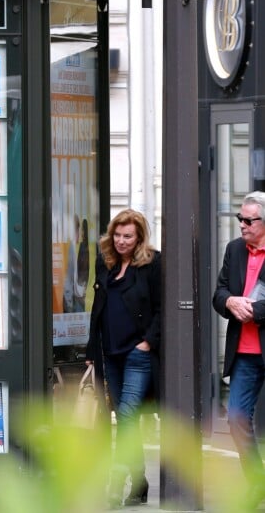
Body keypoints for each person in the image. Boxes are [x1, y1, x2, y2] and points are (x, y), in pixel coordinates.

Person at [85, 209, 161, 509]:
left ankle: (117, 486)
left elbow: (160, 307)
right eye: (117, 235)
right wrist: (92, 351)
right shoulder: (104, 261)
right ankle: (140, 480)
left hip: (136, 354)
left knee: (128, 416)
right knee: (123, 418)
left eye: (127, 236)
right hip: (109, 354)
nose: (120, 241)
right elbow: (97, 308)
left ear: (139, 237)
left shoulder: (152, 264)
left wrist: (147, 343)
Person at [212, 191, 265, 510]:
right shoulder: (234, 250)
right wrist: (230, 301)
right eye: (240, 219)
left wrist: (256, 312)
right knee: (236, 419)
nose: (242, 225)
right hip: (244, 352)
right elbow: (220, 292)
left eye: (248, 220)